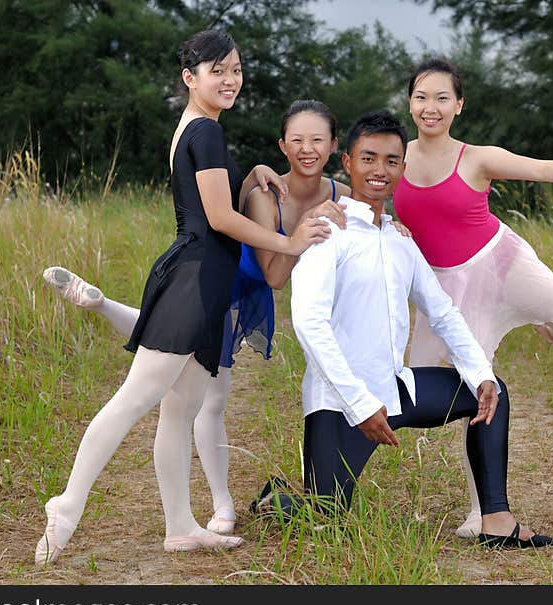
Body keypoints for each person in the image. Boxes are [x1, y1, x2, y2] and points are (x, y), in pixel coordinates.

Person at [34, 30, 331, 565]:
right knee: (136, 398)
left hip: (203, 278)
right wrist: (289, 241)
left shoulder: (200, 129)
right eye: (218, 70)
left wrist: (256, 173)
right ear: (189, 78)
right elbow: (218, 218)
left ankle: (180, 526)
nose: (231, 80)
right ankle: (68, 502)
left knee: (181, 409)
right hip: (194, 279)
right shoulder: (207, 132)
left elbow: (212, 198)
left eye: (236, 69)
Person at [254, 110, 553, 549]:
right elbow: (309, 323)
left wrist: (480, 373)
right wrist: (360, 405)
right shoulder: (325, 233)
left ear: (402, 169)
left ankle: (496, 520)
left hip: (395, 389)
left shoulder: (399, 240)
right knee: (325, 521)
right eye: (369, 158)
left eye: (391, 161)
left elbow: (444, 312)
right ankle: (274, 500)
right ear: (348, 164)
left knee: (492, 393)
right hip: (339, 402)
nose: (380, 170)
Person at [391, 58, 553, 538]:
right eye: (420, 97)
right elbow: (351, 185)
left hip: (497, 264)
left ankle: (537, 320)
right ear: (409, 102)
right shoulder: (396, 157)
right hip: (443, 290)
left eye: (441, 98)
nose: (429, 107)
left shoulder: (476, 158)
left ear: (459, 105)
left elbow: (538, 168)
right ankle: (483, 514)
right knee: (472, 393)